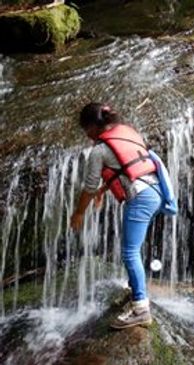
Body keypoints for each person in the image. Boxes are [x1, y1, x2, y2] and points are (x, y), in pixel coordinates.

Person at [71, 102, 162, 330]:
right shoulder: (128, 134)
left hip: (140, 198)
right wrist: (105, 190)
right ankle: (134, 290)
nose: (87, 136)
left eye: (86, 130)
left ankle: (141, 309)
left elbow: (89, 185)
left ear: (93, 127)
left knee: (130, 252)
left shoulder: (99, 150)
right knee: (133, 248)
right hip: (154, 192)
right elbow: (128, 168)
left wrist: (79, 212)